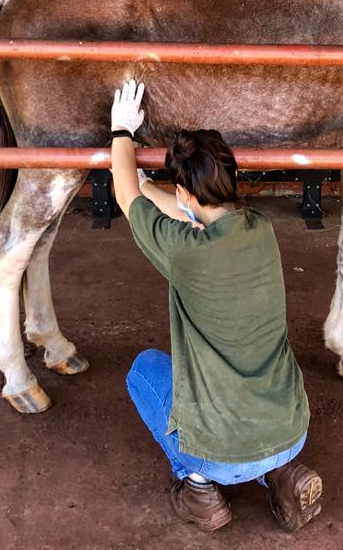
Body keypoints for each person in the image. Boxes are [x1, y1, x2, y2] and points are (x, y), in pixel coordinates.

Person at [109, 79, 322, 533]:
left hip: (221, 455)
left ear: (186, 194)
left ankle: (200, 488)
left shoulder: (184, 252)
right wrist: (151, 188)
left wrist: (121, 132)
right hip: (291, 433)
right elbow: (188, 213)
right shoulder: (260, 228)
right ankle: (282, 473)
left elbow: (125, 197)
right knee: (255, 413)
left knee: (144, 371)